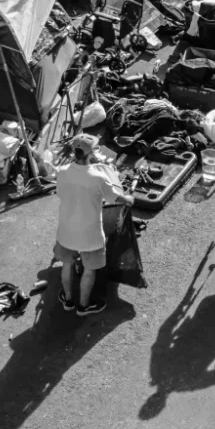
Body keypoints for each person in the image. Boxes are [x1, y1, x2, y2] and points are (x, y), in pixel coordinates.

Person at [29, 134, 135, 316]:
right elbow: (117, 199)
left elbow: (61, 194)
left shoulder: (62, 171)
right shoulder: (99, 177)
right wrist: (129, 199)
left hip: (67, 230)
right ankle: (84, 306)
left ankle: (68, 300)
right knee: (89, 270)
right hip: (90, 234)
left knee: (67, 265)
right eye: (95, 148)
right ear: (90, 153)